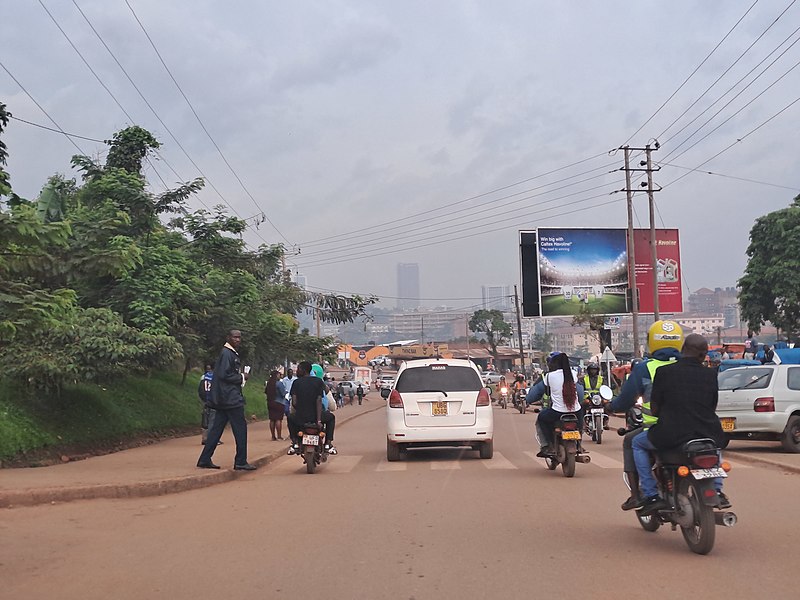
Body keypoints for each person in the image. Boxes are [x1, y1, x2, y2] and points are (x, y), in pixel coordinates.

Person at [644, 333, 730, 510]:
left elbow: (655, 408)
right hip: (707, 432)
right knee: (714, 447)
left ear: (682, 350)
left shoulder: (664, 372)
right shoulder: (710, 375)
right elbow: (712, 405)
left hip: (672, 435)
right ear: (703, 355)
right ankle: (718, 490)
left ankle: (650, 494)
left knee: (634, 443)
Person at [607, 320, 683, 511]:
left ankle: (640, 494)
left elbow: (625, 400)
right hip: (693, 427)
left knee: (632, 442)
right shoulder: (691, 365)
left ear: (652, 341)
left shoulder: (645, 368)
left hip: (658, 429)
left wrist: (611, 406)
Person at [197, 330, 256, 471]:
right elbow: (224, 375)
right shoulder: (226, 354)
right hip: (230, 399)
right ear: (228, 338)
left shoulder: (230, 353)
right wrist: (242, 377)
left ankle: (204, 459)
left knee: (216, 430)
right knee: (241, 429)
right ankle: (241, 461)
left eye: (239, 337)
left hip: (224, 399)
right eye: (235, 337)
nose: (238, 339)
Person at [528, 352, 583, 457]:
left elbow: (535, 394)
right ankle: (579, 443)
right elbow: (580, 394)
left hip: (557, 412)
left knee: (541, 418)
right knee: (580, 425)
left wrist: (528, 399)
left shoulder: (549, 376)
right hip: (576, 411)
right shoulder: (573, 374)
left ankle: (548, 445)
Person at [287, 361, 337, 455]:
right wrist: (318, 420)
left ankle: (295, 443)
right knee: (331, 418)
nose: (296, 371)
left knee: (290, 417)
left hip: (301, 417)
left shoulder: (296, 382)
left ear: (302, 370)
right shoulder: (318, 381)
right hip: (317, 416)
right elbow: (319, 400)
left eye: (298, 369)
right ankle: (328, 444)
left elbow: (294, 402)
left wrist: (301, 411)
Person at [198, 363, 222, 446]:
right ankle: (212, 439)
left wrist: (203, 399)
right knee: (213, 420)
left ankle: (204, 438)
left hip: (205, 400)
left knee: (205, 418)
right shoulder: (217, 377)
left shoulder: (203, 377)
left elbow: (200, 389)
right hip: (213, 401)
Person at [265, 370, 285, 441]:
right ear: (276, 375)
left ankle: (273, 436)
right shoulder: (279, 384)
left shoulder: (269, 383)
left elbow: (266, 392)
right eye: (279, 375)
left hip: (270, 402)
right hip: (279, 402)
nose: (280, 376)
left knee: (272, 419)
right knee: (278, 419)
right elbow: (283, 394)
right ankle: (279, 436)